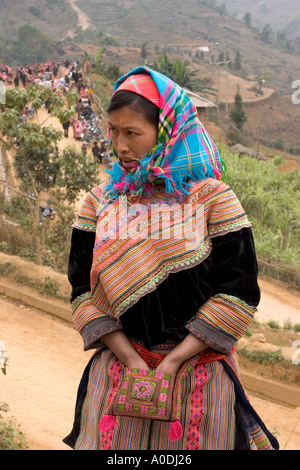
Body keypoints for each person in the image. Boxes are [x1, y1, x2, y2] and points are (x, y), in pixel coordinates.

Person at [63, 67, 279, 451]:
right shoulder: (100, 201)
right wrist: (130, 359)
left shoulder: (212, 199)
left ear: (166, 132)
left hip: (199, 376)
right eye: (114, 131)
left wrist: (173, 361)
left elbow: (239, 291)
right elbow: (82, 288)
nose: (120, 145)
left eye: (133, 133)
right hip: (117, 375)